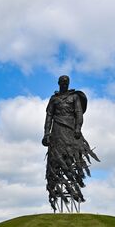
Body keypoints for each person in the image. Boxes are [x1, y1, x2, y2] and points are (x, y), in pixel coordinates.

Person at [42, 75, 100, 211]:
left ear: (68, 83)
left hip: (71, 129)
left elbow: (79, 114)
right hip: (57, 129)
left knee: (73, 157)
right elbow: (49, 116)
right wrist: (46, 133)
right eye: (62, 82)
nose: (64, 83)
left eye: (66, 82)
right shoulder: (54, 99)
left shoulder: (74, 97)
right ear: (58, 83)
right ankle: (56, 190)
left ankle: (75, 185)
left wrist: (78, 128)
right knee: (56, 160)